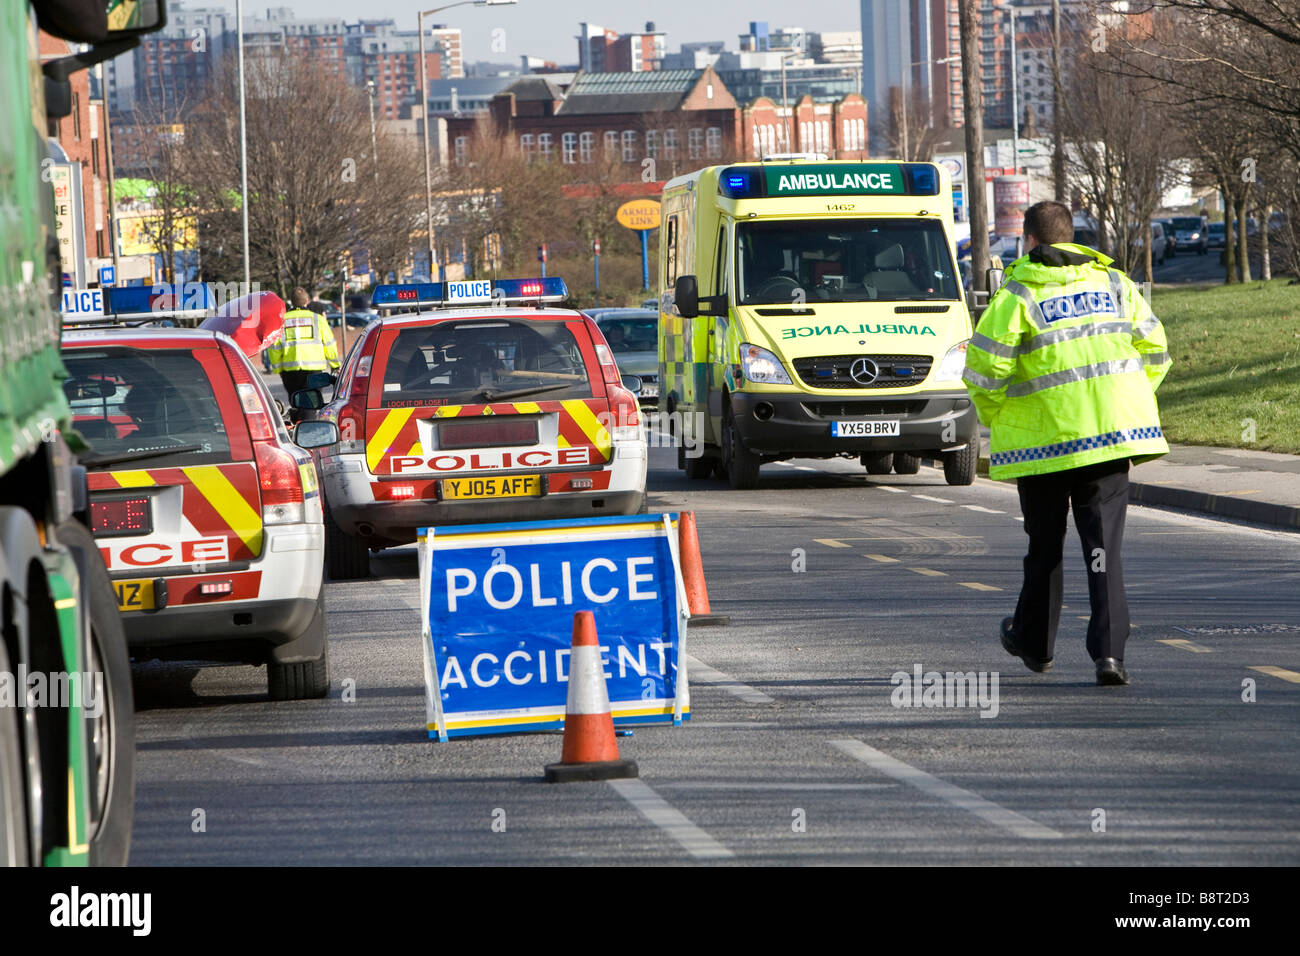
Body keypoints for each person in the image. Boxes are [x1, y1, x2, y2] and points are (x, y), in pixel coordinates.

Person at [963, 201, 1172, 687]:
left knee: (1045, 548)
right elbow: (1156, 352)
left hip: (1044, 447)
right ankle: (1110, 656)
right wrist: (1124, 402)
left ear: (1030, 242)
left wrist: (999, 418)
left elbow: (983, 370)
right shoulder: (1116, 285)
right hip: (1109, 441)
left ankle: (1035, 645)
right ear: (1072, 237)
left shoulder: (1017, 294)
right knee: (1104, 551)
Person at [266, 287, 340, 399]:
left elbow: (274, 347)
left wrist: (278, 369)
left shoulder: (281, 321)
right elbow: (329, 344)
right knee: (311, 403)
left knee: (296, 402)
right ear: (307, 301)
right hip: (314, 371)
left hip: (290, 372)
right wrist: (335, 365)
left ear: (291, 302)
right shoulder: (318, 319)